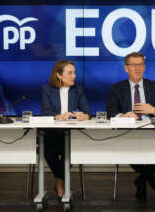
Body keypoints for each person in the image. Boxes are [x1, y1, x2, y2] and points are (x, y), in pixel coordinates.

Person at [106, 52, 155, 201]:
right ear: (126, 68)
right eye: (133, 65)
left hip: (153, 133)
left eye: (141, 65)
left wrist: (154, 110)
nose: (137, 68)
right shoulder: (117, 88)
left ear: (144, 67)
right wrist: (122, 117)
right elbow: (111, 113)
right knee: (124, 146)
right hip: (127, 133)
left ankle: (142, 179)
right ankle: (148, 177)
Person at [41, 60, 90, 201]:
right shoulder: (47, 89)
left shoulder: (78, 90)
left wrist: (83, 116)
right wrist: (59, 117)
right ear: (59, 75)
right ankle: (62, 180)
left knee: (70, 152)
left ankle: (60, 183)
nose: (74, 76)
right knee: (49, 154)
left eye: (74, 73)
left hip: (71, 133)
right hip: (52, 133)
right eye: (70, 73)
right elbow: (45, 113)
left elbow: (87, 112)